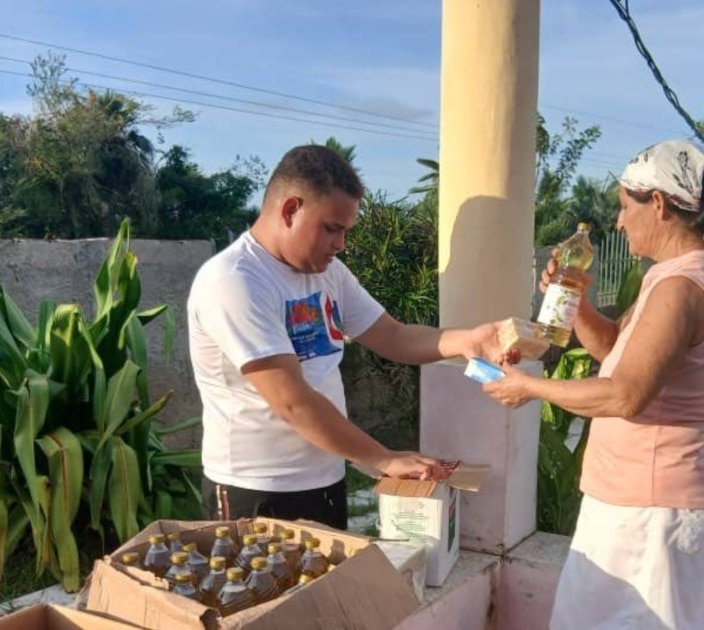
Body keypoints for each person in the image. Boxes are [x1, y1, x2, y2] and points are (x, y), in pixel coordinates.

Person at [483, 139, 704, 629]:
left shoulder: (682, 287)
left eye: (625, 207)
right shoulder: (672, 276)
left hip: (653, 506)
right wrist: (575, 301)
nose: (619, 222)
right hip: (636, 501)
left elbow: (624, 394)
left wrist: (529, 388)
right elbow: (613, 351)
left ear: (658, 204)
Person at [188, 144, 504, 529]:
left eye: (344, 231)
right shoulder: (235, 282)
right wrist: (383, 458)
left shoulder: (328, 273)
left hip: (325, 480)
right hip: (256, 490)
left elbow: (392, 335)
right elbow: (292, 402)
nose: (340, 245)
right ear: (290, 210)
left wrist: (468, 341)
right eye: (331, 229)